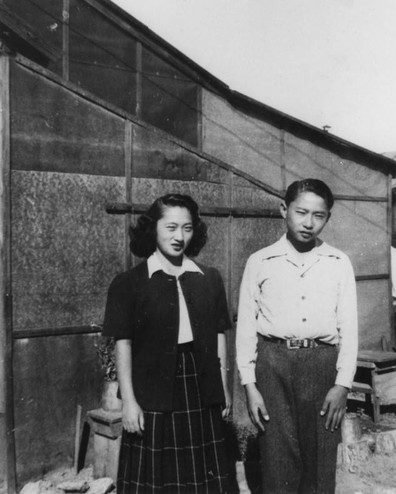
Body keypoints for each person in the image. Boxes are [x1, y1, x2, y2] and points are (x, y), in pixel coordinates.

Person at [102, 193, 232, 494]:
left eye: (187, 228)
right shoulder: (129, 283)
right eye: (170, 227)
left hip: (200, 384)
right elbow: (123, 344)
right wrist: (130, 401)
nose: (179, 237)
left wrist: (224, 387)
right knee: (157, 479)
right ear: (153, 229)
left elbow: (218, 335)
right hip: (153, 389)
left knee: (203, 474)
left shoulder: (209, 278)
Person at [236, 178, 358, 494]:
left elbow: (349, 327)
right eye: (301, 212)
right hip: (272, 365)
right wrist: (249, 385)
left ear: (327, 218)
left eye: (318, 215)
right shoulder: (260, 261)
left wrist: (342, 384)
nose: (308, 223)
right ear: (284, 210)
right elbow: (247, 327)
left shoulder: (338, 262)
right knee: (277, 460)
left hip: (321, 365)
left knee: (320, 461)